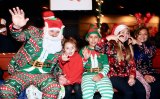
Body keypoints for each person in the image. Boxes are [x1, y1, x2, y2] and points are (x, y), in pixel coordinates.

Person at [0, 7, 65, 99]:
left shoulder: (60, 43)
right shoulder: (33, 32)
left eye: (57, 32)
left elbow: (59, 63)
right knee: (6, 89)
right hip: (23, 72)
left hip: (44, 75)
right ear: (46, 28)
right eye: (52, 30)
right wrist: (17, 27)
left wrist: (60, 76)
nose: (54, 34)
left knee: (54, 88)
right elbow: (18, 36)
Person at [95, 24, 146, 99]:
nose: (125, 35)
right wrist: (109, 37)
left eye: (127, 33)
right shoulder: (111, 45)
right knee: (129, 92)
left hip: (127, 75)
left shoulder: (128, 46)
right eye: (122, 32)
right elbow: (97, 47)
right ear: (117, 34)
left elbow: (132, 65)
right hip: (113, 75)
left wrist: (132, 76)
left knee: (141, 91)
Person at [79, 24, 113, 99]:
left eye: (96, 37)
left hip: (101, 74)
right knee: (87, 94)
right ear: (87, 38)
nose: (93, 39)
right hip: (87, 75)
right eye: (91, 37)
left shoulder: (102, 50)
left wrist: (100, 75)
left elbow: (106, 66)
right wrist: (85, 59)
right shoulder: (83, 50)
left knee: (108, 93)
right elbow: (79, 67)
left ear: (99, 39)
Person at [133, 26, 160, 99]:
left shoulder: (151, 46)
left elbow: (149, 54)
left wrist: (140, 44)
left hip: (150, 71)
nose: (142, 36)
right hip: (135, 73)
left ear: (148, 36)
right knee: (141, 90)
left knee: (157, 85)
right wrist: (144, 75)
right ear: (136, 35)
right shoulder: (131, 46)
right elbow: (133, 65)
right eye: (140, 34)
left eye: (145, 34)